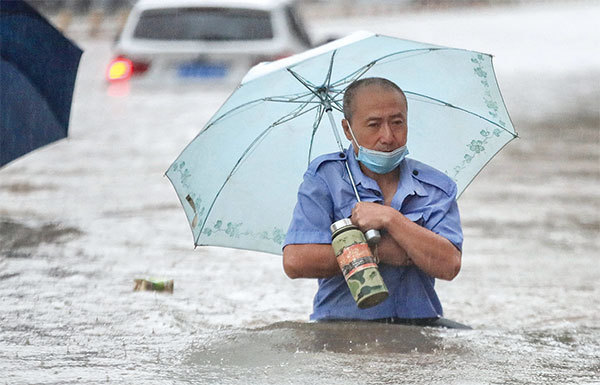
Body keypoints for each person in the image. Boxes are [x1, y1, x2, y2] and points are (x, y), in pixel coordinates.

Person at [282, 77, 468, 328]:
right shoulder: (325, 178)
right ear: (348, 130)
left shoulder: (436, 187)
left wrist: (391, 219)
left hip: (421, 325)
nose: (388, 137)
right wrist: (380, 251)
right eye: (374, 125)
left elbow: (449, 265)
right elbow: (296, 261)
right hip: (341, 325)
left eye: (397, 123)